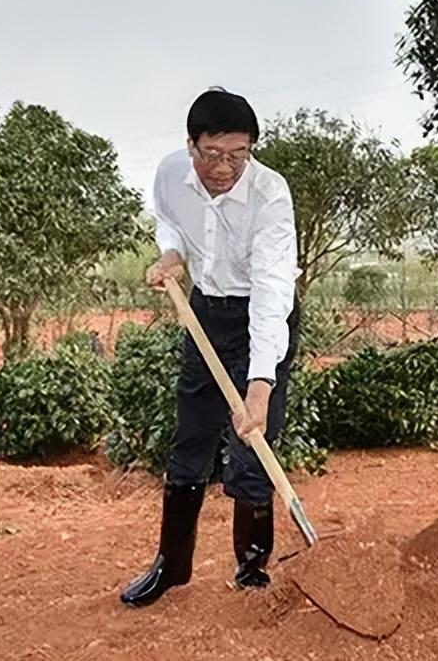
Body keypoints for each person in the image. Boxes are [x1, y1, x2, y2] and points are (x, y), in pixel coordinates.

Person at [121, 88, 301, 607]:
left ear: (252, 150)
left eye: (238, 155)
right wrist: (172, 255)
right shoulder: (169, 173)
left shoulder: (270, 193)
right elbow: (168, 220)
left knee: (251, 444)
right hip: (205, 311)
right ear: (191, 144)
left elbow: (271, 291)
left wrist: (261, 385)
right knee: (191, 438)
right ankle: (171, 565)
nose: (224, 167)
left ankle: (251, 570)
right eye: (212, 154)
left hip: (260, 317)